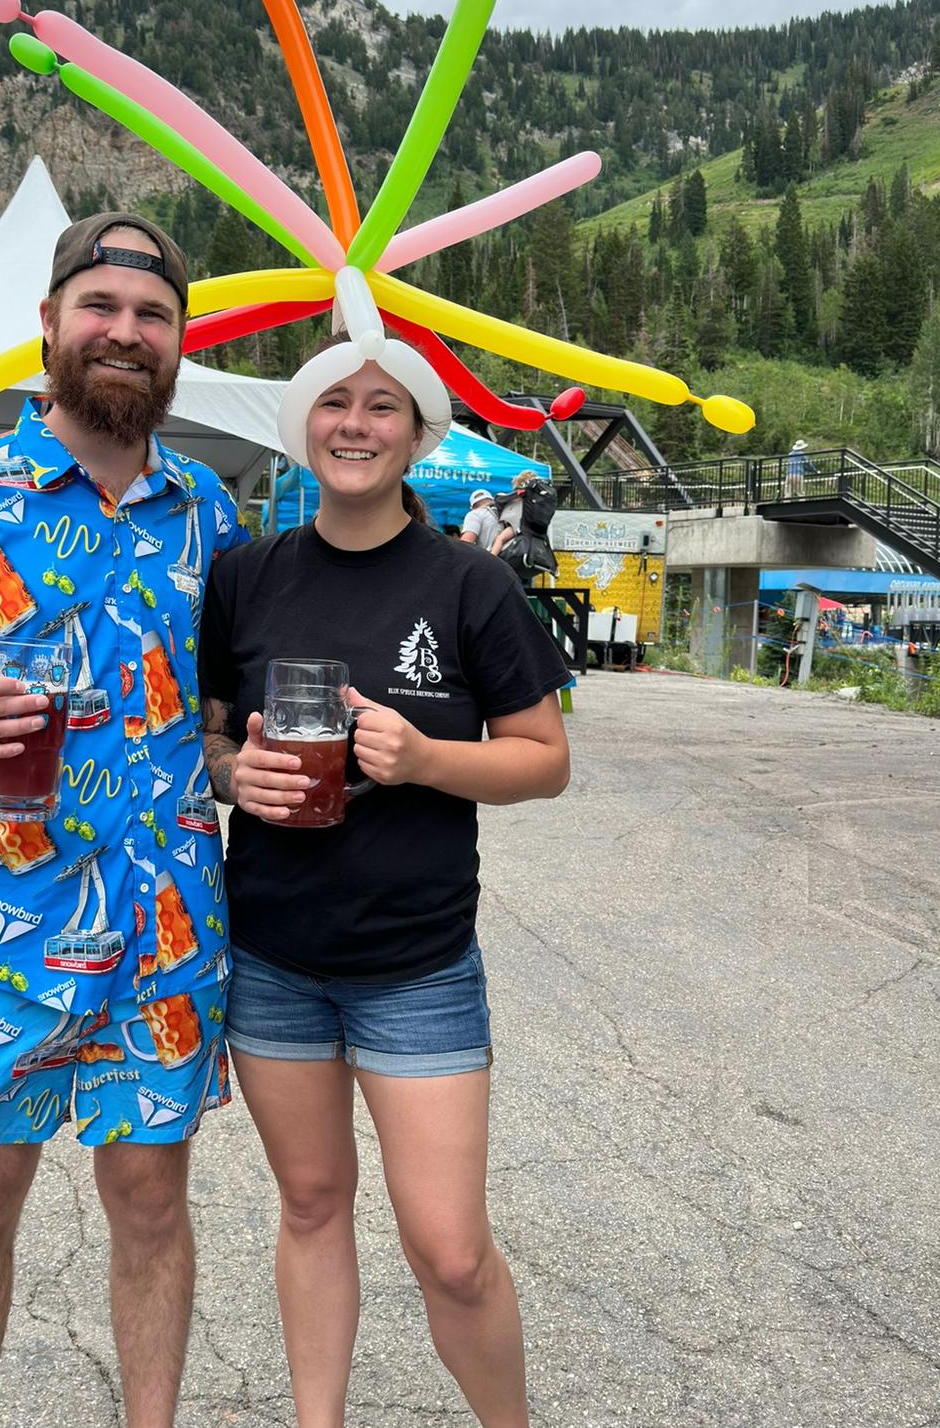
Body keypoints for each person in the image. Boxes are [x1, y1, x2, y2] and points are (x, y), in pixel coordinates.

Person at [0, 212, 246, 1428]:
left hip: (167, 927)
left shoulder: (210, 514)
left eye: (153, 315)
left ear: (179, 342)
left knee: (152, 1205)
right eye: (101, 307)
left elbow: (215, 717)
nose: (126, 332)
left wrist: (252, 765)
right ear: (51, 324)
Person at [198, 332, 572, 1427]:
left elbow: (544, 760)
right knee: (312, 1206)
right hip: (273, 956)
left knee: (451, 1252)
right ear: (302, 425)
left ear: (416, 436)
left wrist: (424, 759)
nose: (354, 424)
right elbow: (210, 735)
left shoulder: (470, 582)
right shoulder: (246, 575)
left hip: (418, 965)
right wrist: (235, 775)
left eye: (382, 406)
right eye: (334, 402)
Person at [459, 487, 508, 555]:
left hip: (489, 559)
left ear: (472, 507)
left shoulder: (474, 514)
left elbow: (466, 545)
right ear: (491, 500)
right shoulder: (505, 512)